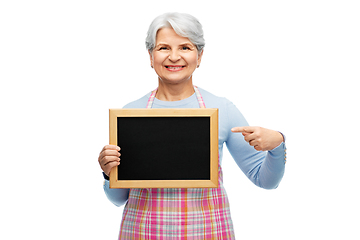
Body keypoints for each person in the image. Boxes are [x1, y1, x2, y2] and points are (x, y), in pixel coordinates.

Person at [98, 12, 286, 239]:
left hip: (208, 232)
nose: (174, 56)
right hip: (142, 232)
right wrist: (109, 174)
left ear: (199, 56)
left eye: (185, 48)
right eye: (164, 48)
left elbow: (265, 180)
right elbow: (118, 199)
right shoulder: (129, 115)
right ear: (150, 56)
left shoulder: (222, 109)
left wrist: (277, 145)